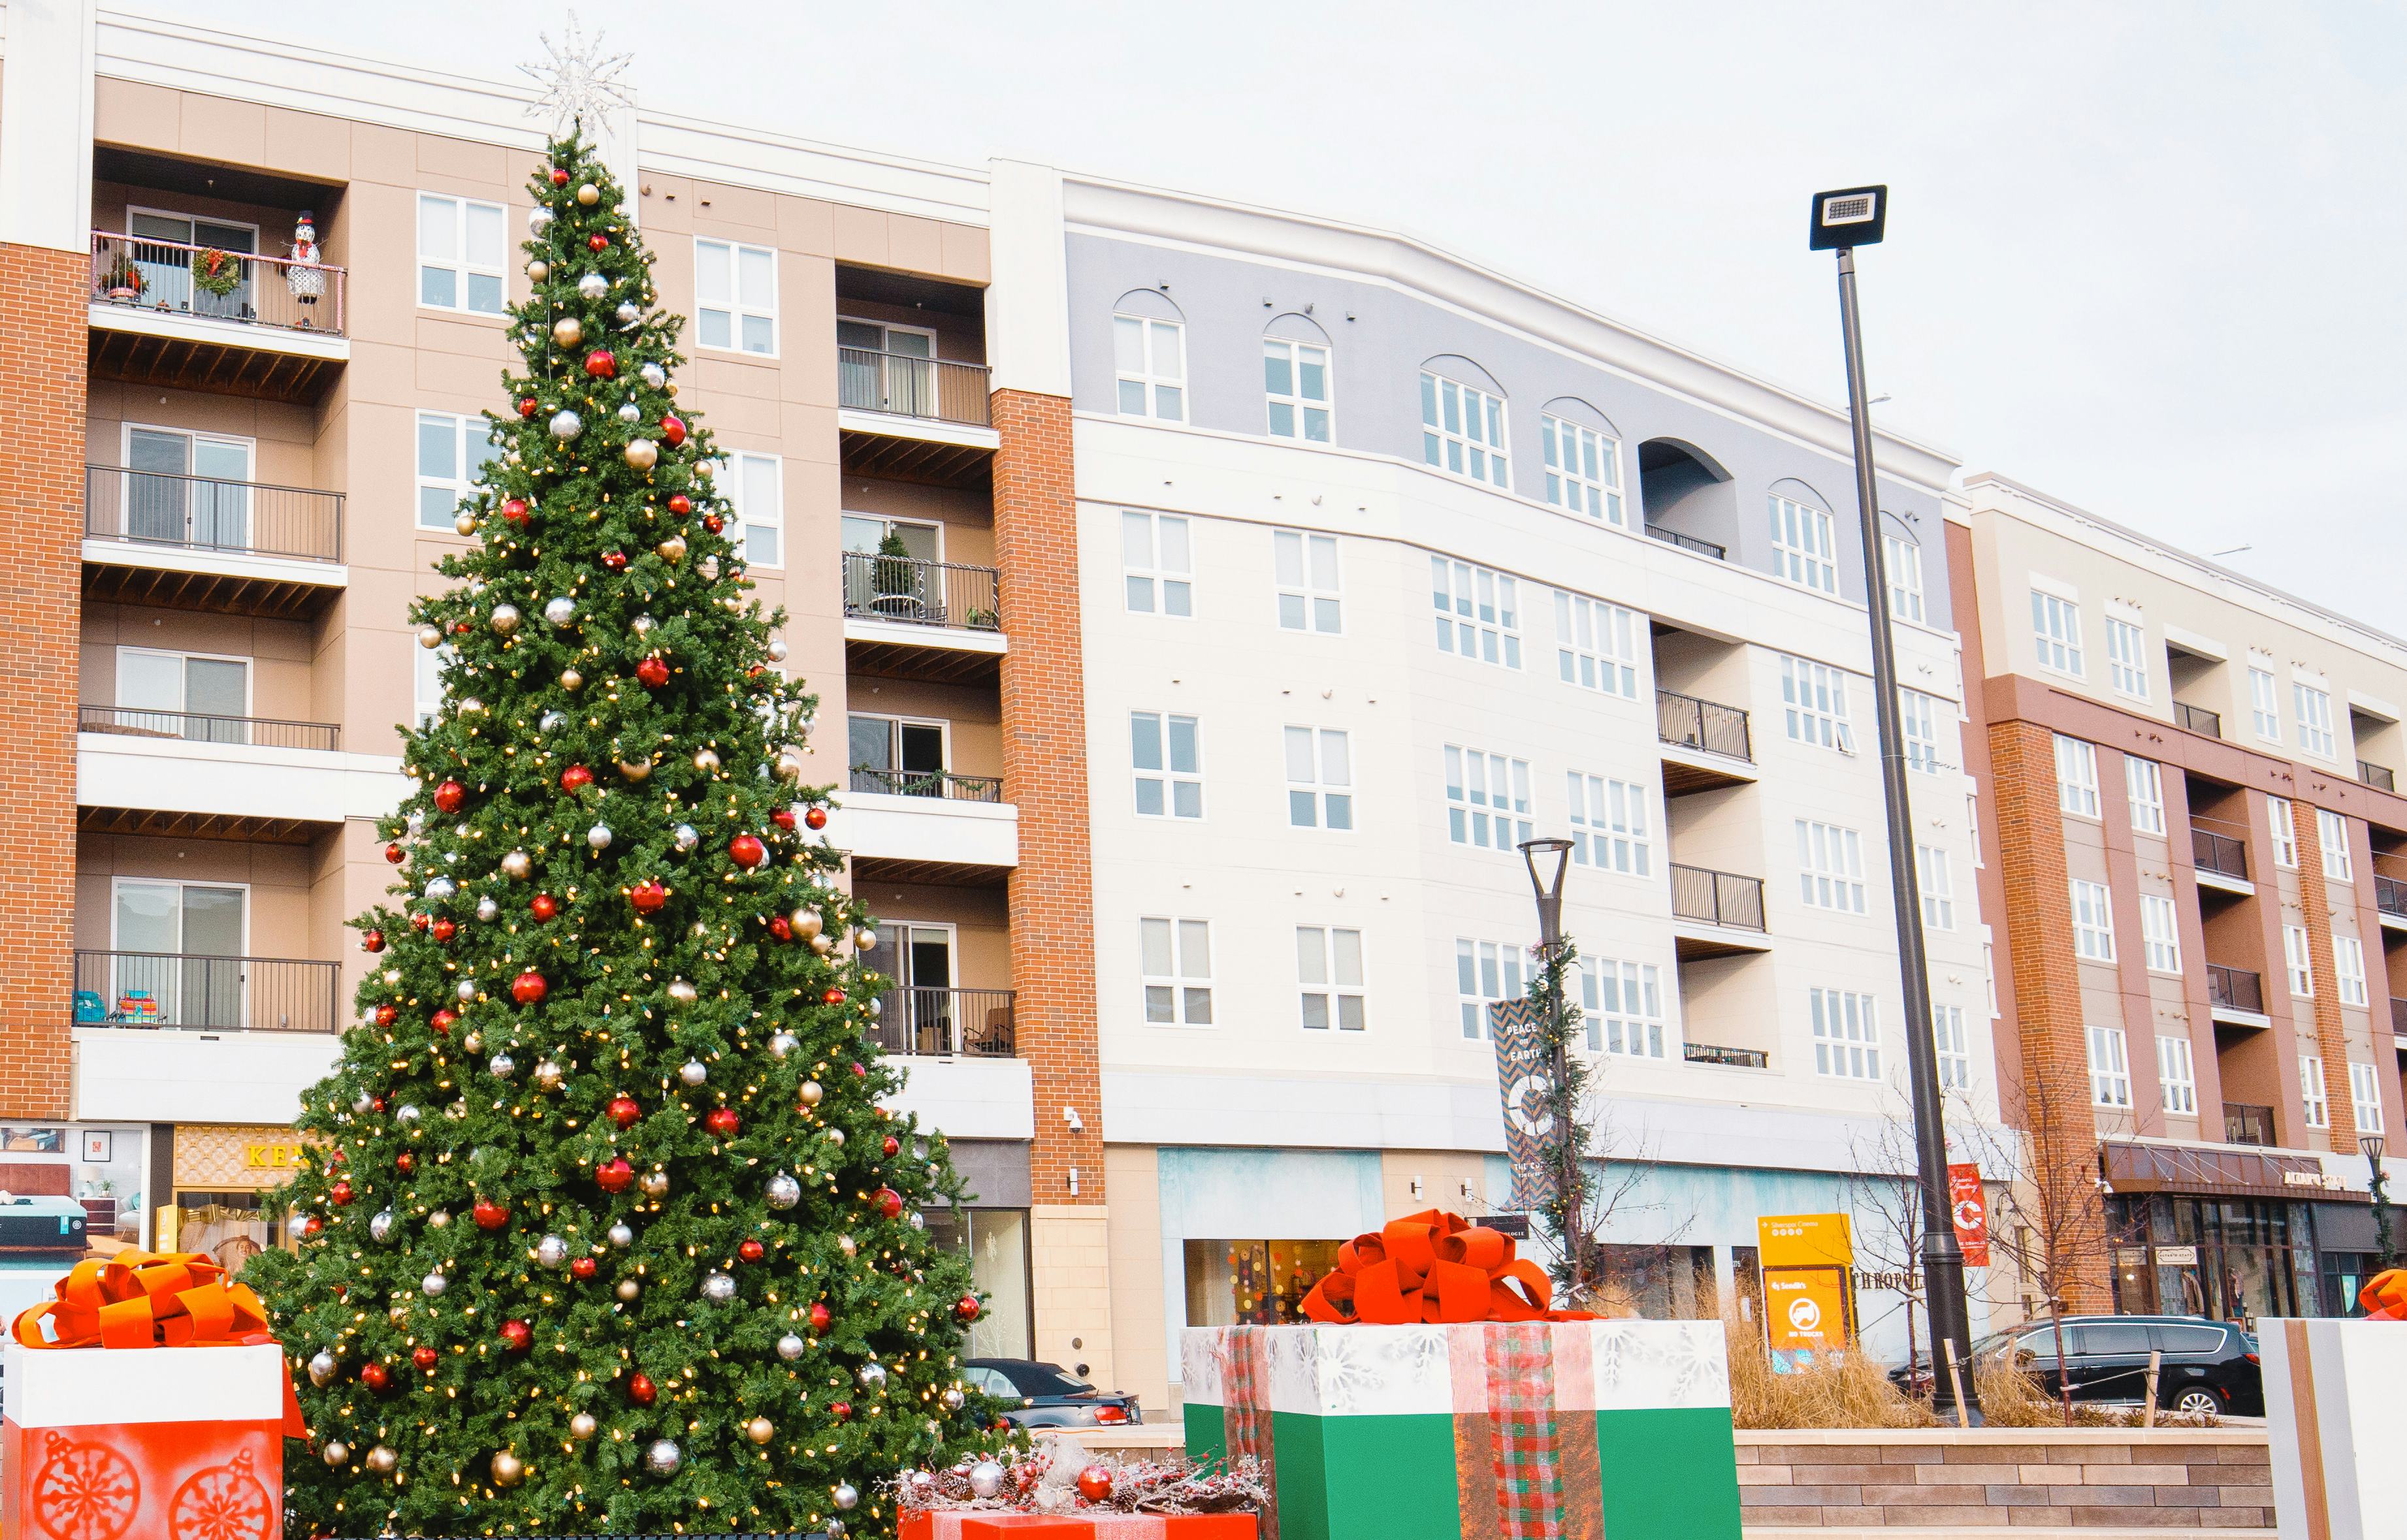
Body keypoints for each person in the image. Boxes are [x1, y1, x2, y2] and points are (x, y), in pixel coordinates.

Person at [285, 210, 325, 321]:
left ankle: (313, 318)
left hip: (311, 276)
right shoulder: (296, 248)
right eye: (302, 229)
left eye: (307, 229)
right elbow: (296, 258)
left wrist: (309, 264)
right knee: (301, 294)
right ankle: (301, 317)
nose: (304, 232)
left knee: (312, 293)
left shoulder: (313, 248)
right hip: (301, 275)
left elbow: (315, 258)